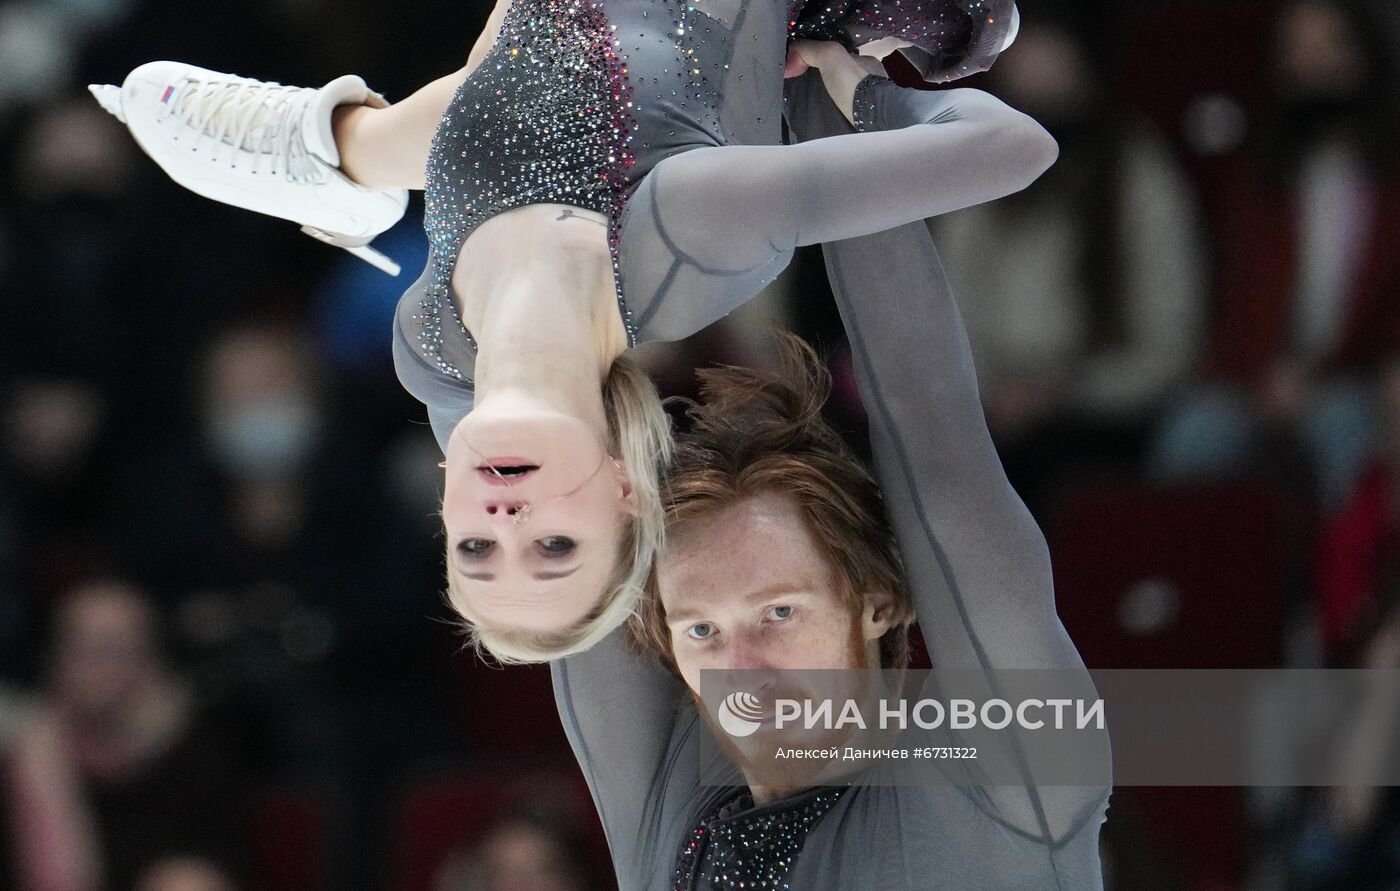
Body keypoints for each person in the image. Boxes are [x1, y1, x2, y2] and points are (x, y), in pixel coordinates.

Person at [89, 0, 1048, 661]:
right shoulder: (690, 235)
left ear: (447, 502)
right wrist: (864, 97)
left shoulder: (431, 346)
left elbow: (496, 93)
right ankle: (346, 152)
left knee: (472, 114)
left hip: (522, 66)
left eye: (475, 551)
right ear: (629, 497)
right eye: (555, 547)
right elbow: (1019, 147)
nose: (507, 525)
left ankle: (348, 153)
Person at [552, 77, 1110, 886]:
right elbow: (533, 399)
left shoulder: (1007, 780)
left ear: (879, 596)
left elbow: (932, 421)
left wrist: (826, 89)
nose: (740, 667)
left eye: (778, 611)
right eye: (700, 630)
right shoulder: (668, 798)